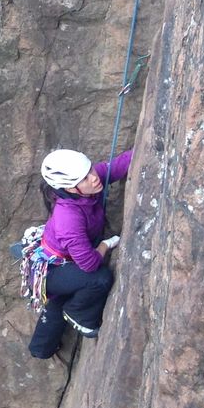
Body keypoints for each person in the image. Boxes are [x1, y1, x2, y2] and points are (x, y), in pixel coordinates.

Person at [28, 147, 133, 359]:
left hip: (64, 261)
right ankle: (78, 312)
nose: (94, 178)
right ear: (70, 188)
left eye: (91, 170)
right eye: (85, 178)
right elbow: (89, 264)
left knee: (59, 300)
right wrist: (106, 244)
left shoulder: (87, 184)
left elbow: (116, 167)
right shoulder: (68, 218)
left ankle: (41, 349)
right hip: (52, 270)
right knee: (99, 279)